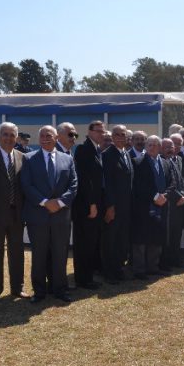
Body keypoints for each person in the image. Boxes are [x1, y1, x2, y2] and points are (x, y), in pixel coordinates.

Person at [20, 126, 78, 303]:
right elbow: (27, 185)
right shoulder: (29, 159)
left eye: (49, 135)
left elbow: (74, 185)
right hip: (38, 215)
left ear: (56, 138)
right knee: (39, 254)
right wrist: (45, 202)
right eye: (42, 136)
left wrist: (59, 203)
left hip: (61, 215)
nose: (45, 138)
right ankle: (39, 291)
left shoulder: (67, 159)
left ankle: (59, 289)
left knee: (60, 254)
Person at [0, 122, 29, 302]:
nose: (9, 138)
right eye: (5, 135)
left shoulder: (23, 158)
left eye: (12, 135)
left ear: (16, 138)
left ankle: (18, 288)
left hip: (17, 215)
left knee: (17, 253)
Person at [131, 135, 173, 278]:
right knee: (141, 240)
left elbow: (172, 183)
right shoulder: (137, 162)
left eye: (155, 144)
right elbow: (139, 184)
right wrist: (155, 197)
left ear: (160, 147)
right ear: (145, 146)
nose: (152, 147)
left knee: (156, 238)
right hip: (144, 207)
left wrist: (164, 196)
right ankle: (139, 270)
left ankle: (153, 268)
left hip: (162, 207)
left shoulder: (166, 163)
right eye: (149, 144)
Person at [72, 120, 106, 289]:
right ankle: (82, 279)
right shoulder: (84, 149)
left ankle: (88, 276)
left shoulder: (96, 149)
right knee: (84, 243)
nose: (101, 134)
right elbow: (85, 180)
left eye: (103, 131)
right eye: (98, 131)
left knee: (91, 242)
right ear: (90, 131)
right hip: (86, 206)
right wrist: (91, 204)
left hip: (94, 204)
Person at [101, 125, 134, 283]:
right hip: (114, 207)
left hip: (126, 207)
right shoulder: (107, 155)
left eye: (123, 134)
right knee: (111, 241)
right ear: (112, 137)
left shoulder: (126, 153)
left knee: (122, 240)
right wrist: (110, 207)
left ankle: (119, 269)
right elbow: (107, 183)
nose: (121, 137)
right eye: (117, 134)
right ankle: (109, 272)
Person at [159, 138, 184, 270]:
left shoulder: (176, 160)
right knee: (167, 234)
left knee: (176, 233)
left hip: (179, 203)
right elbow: (168, 184)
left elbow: (181, 180)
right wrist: (178, 195)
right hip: (167, 203)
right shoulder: (161, 161)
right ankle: (165, 261)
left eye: (172, 146)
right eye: (167, 147)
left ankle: (175, 258)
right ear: (161, 148)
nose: (171, 149)